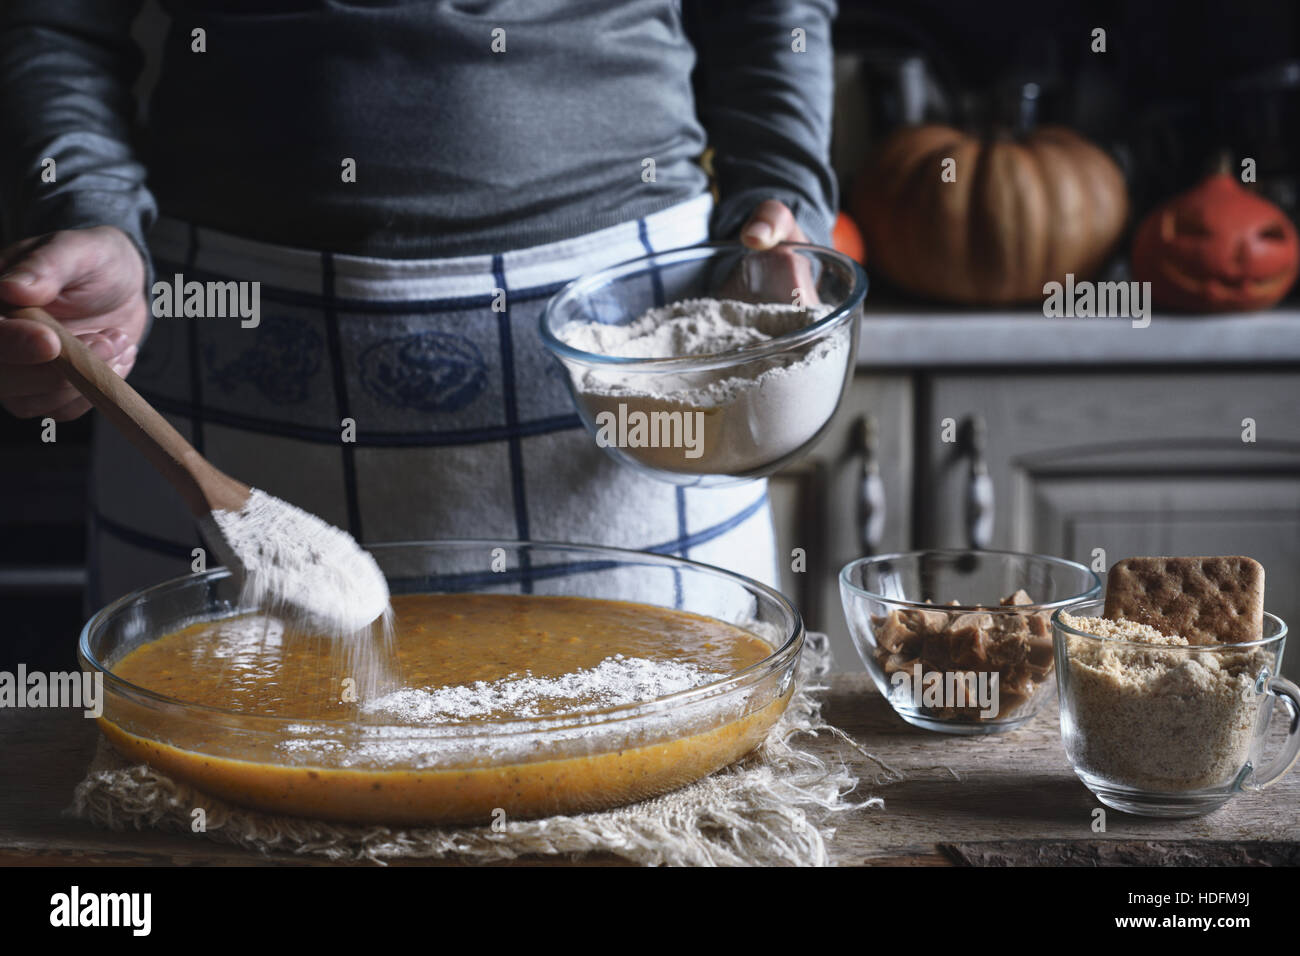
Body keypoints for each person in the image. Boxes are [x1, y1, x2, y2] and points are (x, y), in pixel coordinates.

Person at [0, 0, 838, 609]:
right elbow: (58, 20)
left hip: (631, 351)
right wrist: (83, 210)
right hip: (226, 345)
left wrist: (780, 193)